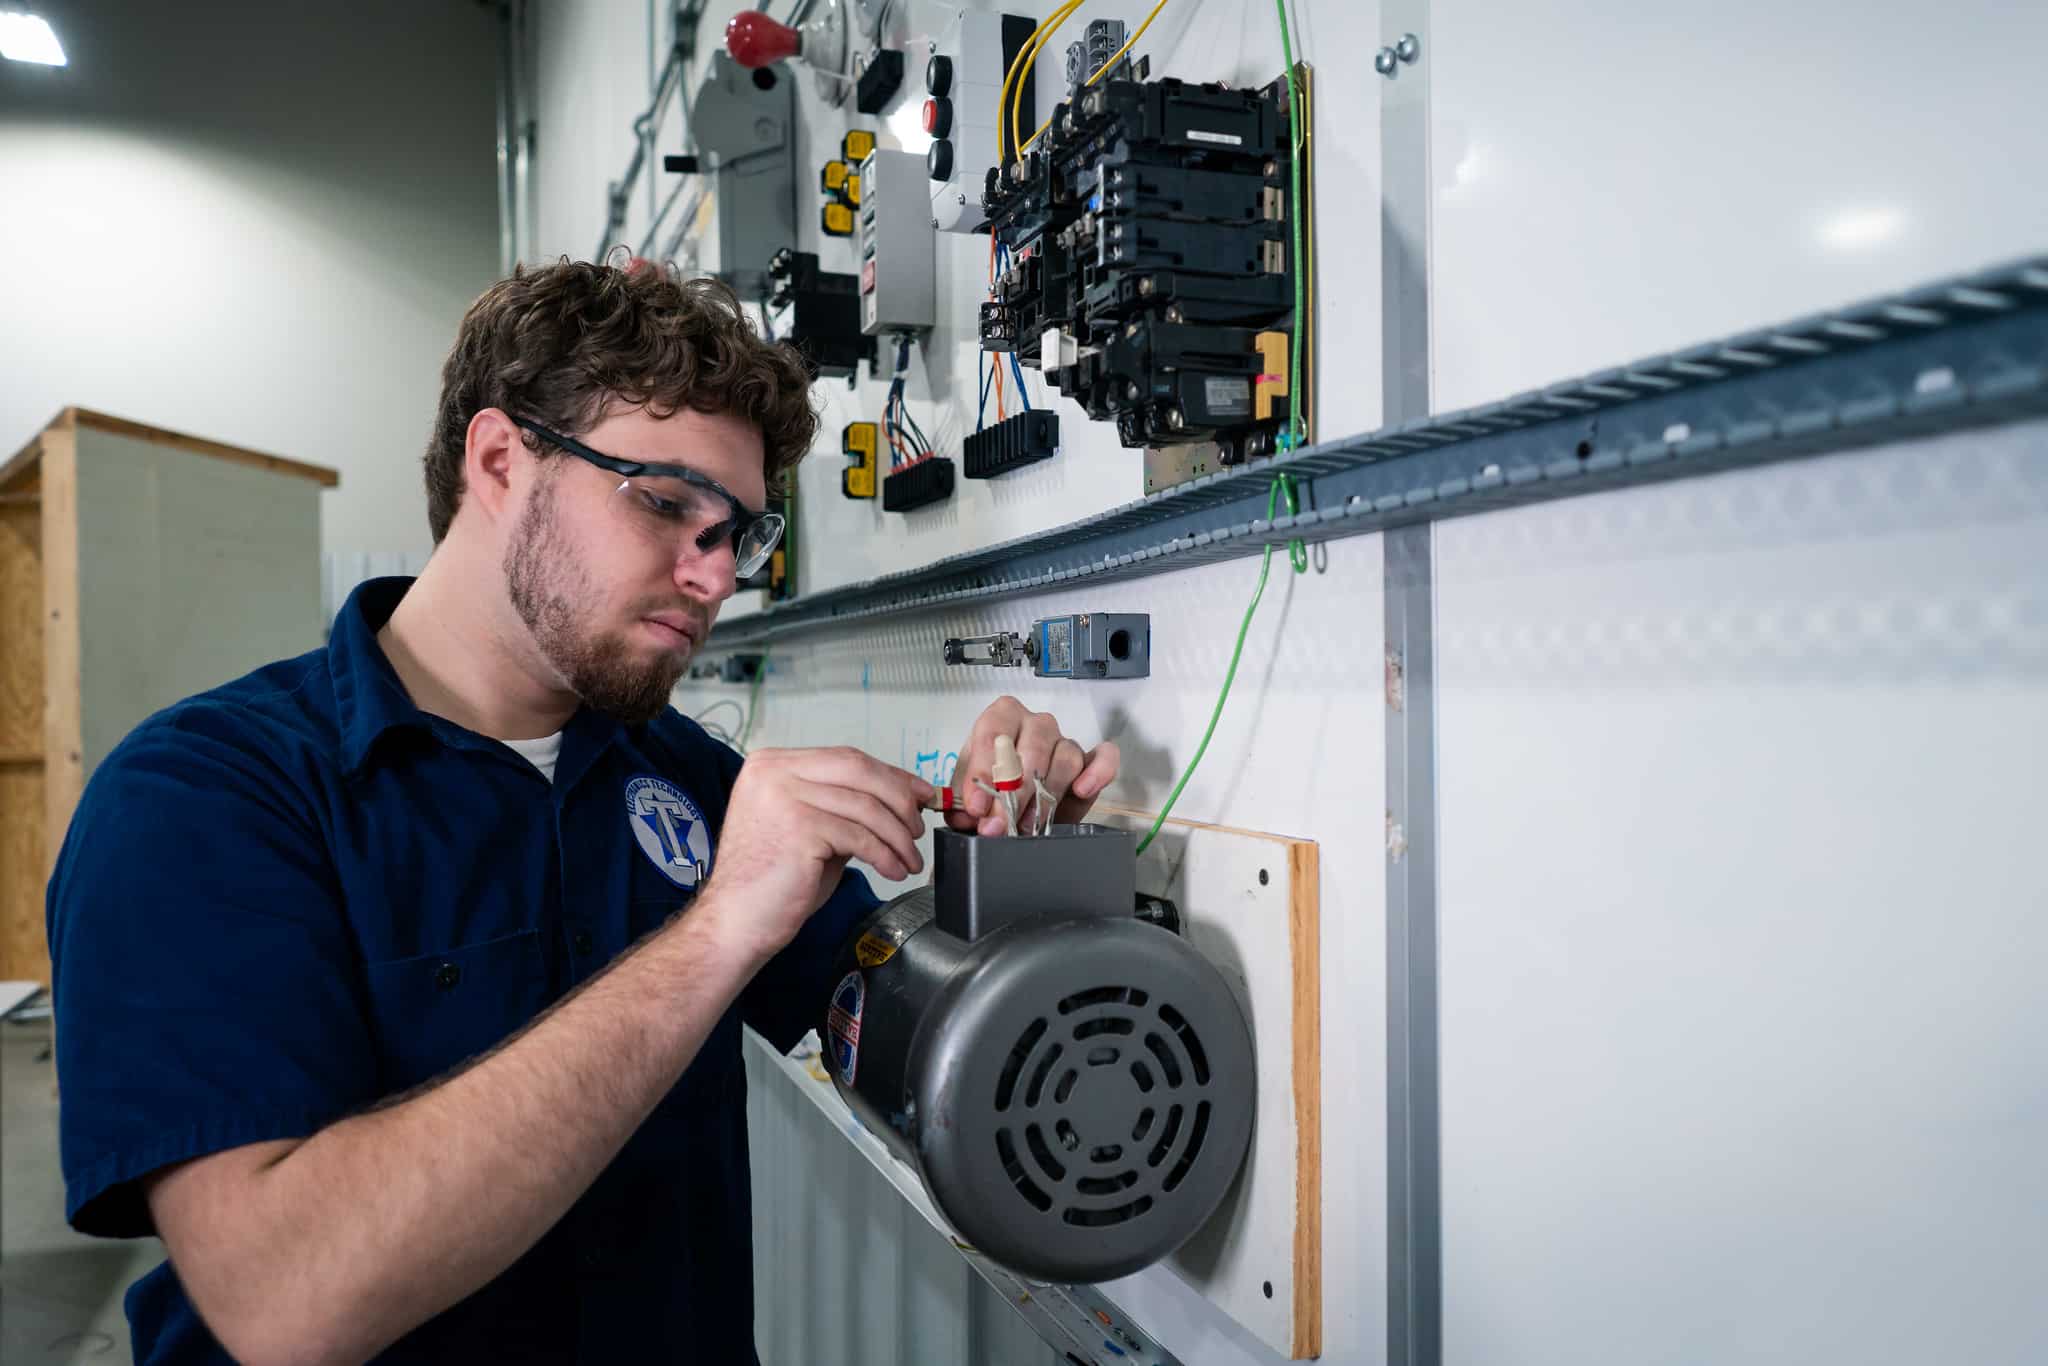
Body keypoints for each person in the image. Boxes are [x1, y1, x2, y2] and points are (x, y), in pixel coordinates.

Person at [44, 260, 1120, 1365]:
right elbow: (284, 1300)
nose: (712, 577)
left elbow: (889, 1027)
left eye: (735, 533)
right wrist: (712, 933)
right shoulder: (204, 798)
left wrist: (999, 865)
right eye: (664, 503)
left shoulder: (684, 776)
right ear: (501, 460)